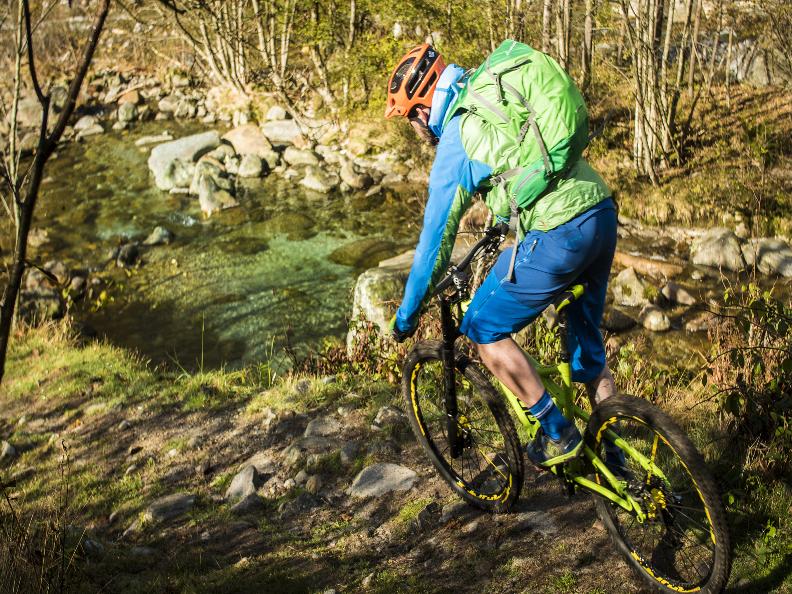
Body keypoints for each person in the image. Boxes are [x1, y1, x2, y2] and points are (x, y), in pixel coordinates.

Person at [385, 43, 622, 468]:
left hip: (560, 233)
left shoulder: (457, 139)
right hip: (600, 212)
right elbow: (523, 164)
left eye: (409, 119)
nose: (414, 128)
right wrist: (501, 217)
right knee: (587, 353)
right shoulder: (494, 90)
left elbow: (433, 244)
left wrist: (406, 316)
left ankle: (556, 433)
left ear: (421, 111)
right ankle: (622, 460)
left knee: (481, 328)